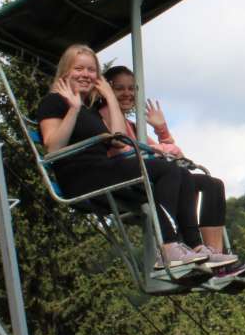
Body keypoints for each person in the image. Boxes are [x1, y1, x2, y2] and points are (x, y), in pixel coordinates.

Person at [35, 44, 209, 270]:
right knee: (164, 169)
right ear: (66, 71)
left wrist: (108, 95)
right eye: (79, 69)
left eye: (91, 70)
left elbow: (117, 139)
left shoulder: (90, 109)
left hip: (103, 169)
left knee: (181, 173)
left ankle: (196, 247)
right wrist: (73, 109)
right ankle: (168, 247)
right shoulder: (54, 101)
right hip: (81, 177)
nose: (86, 75)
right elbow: (52, 146)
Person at [102, 64, 239, 265]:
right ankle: (175, 247)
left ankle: (213, 253)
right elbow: (123, 149)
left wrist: (162, 131)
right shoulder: (106, 117)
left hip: (156, 174)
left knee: (212, 184)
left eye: (131, 89)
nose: (127, 93)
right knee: (178, 174)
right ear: (108, 90)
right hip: (131, 179)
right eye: (120, 88)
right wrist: (163, 150)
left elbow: (176, 157)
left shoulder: (132, 126)